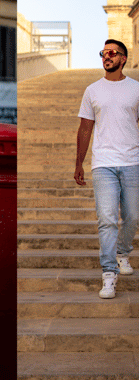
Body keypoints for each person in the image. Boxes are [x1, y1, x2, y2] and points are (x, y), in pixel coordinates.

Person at [75, 39, 139, 299]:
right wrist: (78, 162)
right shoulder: (92, 90)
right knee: (107, 219)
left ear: (123, 58)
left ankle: (123, 252)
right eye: (104, 53)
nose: (106, 56)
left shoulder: (136, 88)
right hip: (103, 164)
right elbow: (85, 128)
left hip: (132, 161)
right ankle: (109, 274)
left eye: (112, 53)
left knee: (134, 216)